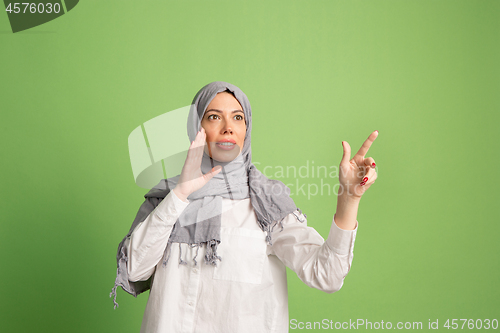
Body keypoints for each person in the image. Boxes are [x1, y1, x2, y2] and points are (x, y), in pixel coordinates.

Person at [110, 81, 378, 333]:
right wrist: (182, 192)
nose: (228, 127)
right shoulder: (167, 198)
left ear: (246, 130)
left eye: (238, 117)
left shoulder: (267, 202)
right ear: (196, 128)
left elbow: (327, 276)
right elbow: (135, 269)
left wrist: (349, 198)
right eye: (214, 116)